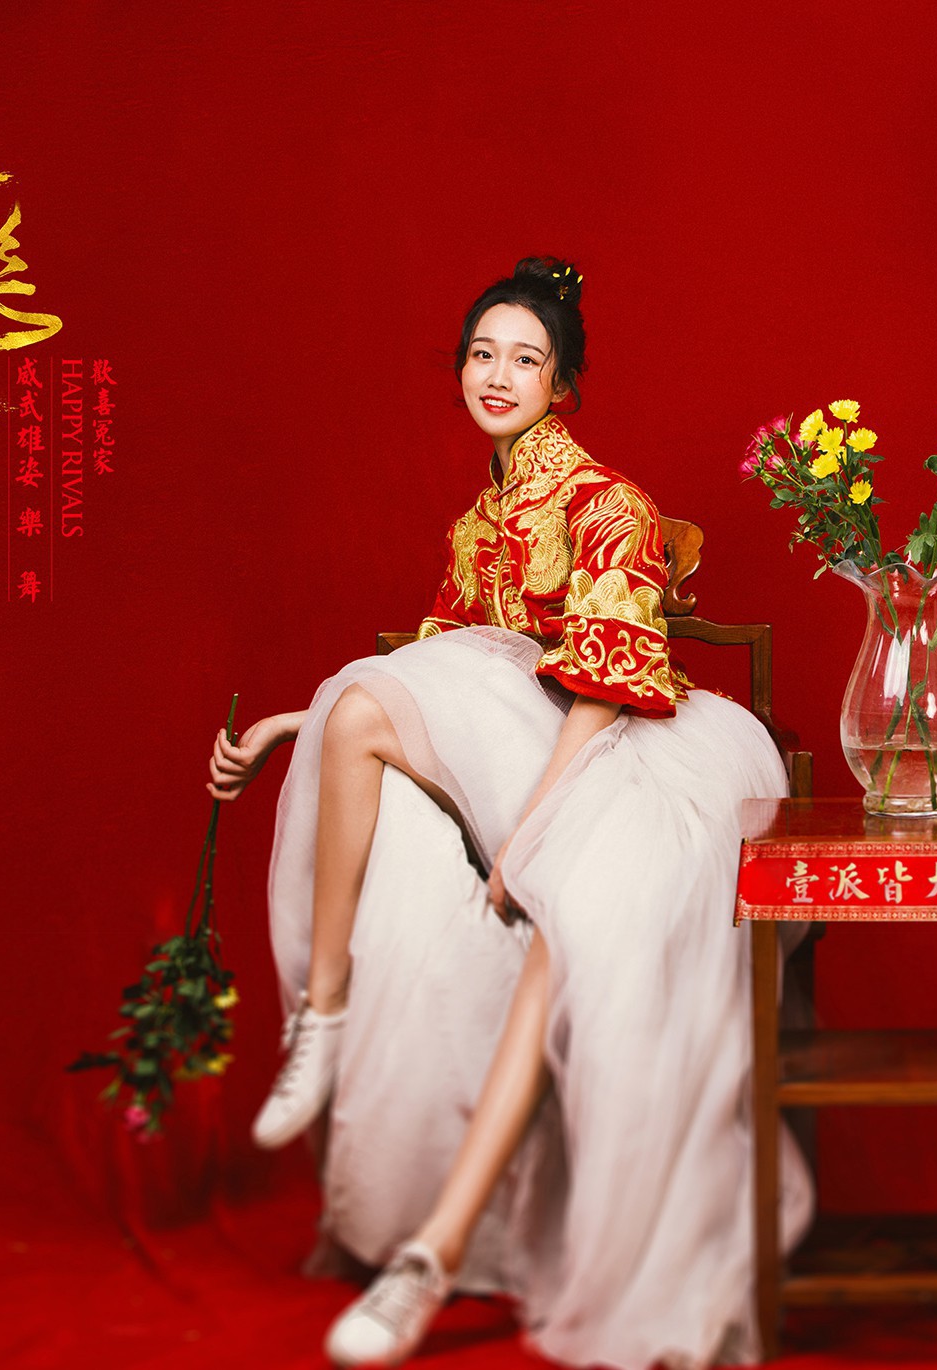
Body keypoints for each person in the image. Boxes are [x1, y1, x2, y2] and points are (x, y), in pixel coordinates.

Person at [208, 256, 813, 1368]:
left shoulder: (610, 503)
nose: (498, 374)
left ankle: (430, 1258)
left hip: (636, 757)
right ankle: (323, 1018)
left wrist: (533, 836)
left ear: (561, 385)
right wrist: (298, 722)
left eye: (525, 360)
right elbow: (431, 677)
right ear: (458, 371)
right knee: (358, 718)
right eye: (482, 354)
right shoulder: (472, 527)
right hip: (529, 750)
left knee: (566, 923)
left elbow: (603, 690)